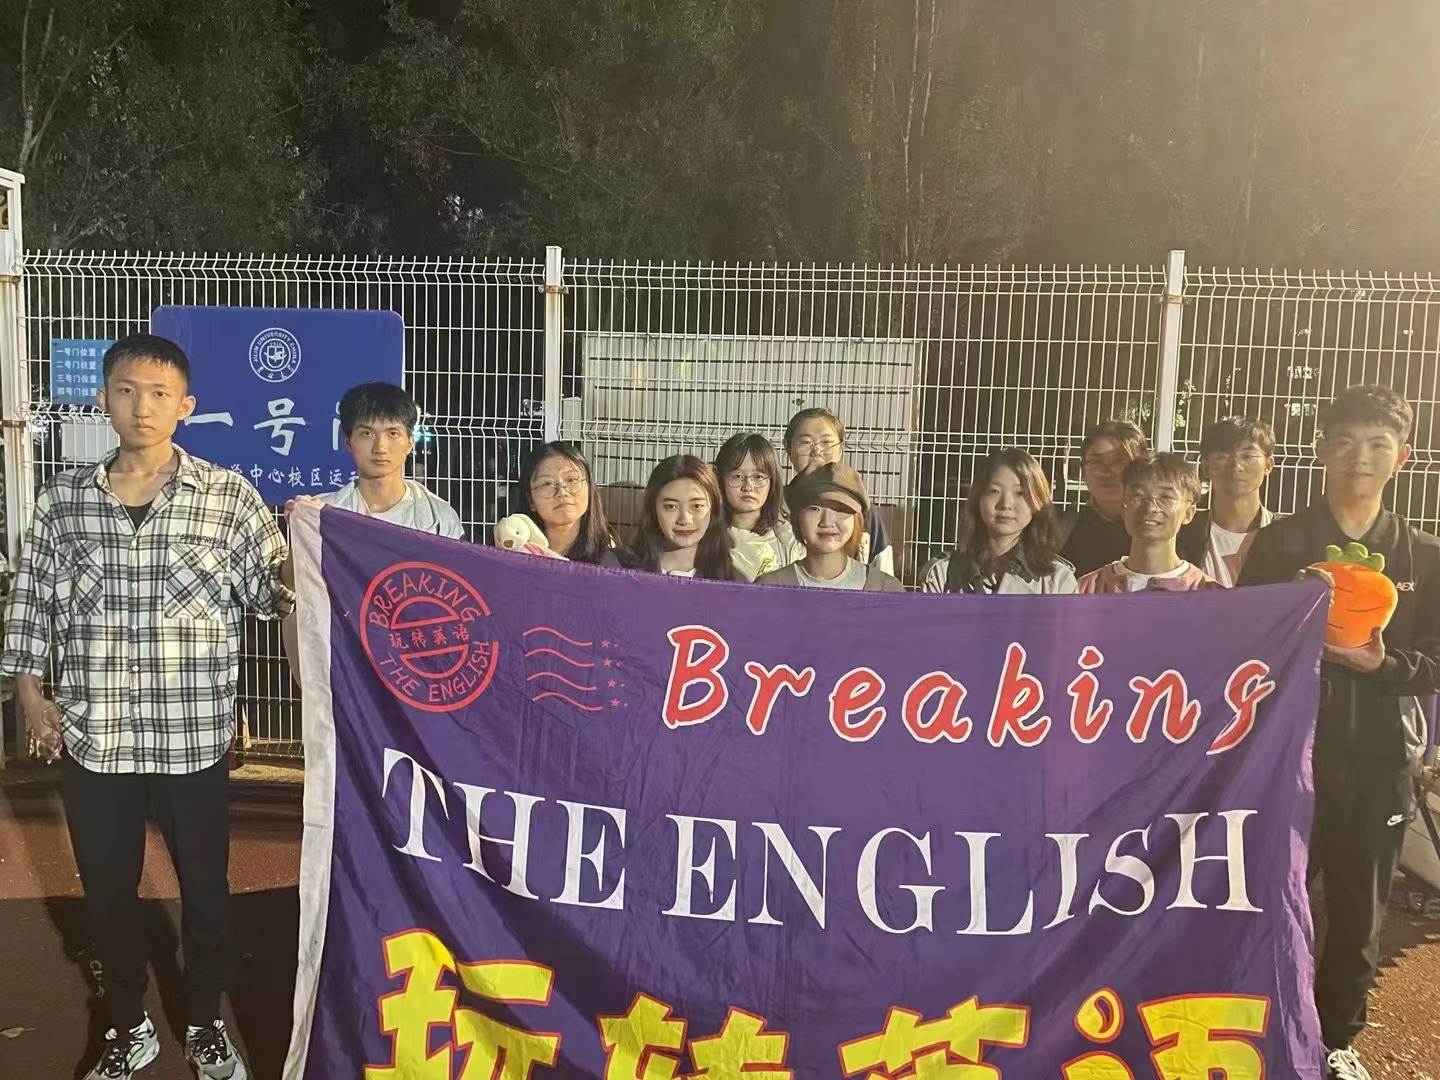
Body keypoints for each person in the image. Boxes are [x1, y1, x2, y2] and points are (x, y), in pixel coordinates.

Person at [0, 334, 293, 1080]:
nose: (142, 406)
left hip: (192, 735)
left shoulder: (228, 498)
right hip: (96, 734)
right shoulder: (65, 501)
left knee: (207, 894)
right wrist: (29, 691)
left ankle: (204, 1021)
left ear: (185, 406)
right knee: (107, 895)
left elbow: (273, 593)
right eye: (127, 390)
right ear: (103, 399)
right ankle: (129, 1024)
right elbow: (32, 600)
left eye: (160, 394)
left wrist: (314, 547)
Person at [1239, 386, 1440, 1080]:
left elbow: (1435, 662)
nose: (1361, 458)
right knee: (1270, 896)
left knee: (1358, 912)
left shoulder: (1425, 556)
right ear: (1323, 450)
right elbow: (1246, 643)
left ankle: (1334, 1040)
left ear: (1403, 457)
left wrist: (1385, 666)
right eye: (1347, 442)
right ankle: (1254, 1026)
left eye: (1379, 445)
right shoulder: (1282, 543)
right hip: (1287, 758)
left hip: (1380, 760)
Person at [312, 381, 464, 537]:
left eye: (393, 434)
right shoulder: (321, 515)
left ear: (410, 443)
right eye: (367, 434)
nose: (380, 447)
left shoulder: (439, 518)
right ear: (348, 442)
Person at [923, 449, 1078, 594]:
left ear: (1038, 501)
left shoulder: (1057, 580)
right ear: (978, 498)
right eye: (994, 491)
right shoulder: (942, 574)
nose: (1006, 504)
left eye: (1020, 493)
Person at [1077, 451, 1219, 593]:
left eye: (1165, 497)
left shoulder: (1209, 593)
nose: (1150, 508)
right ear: (1123, 507)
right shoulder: (1086, 589)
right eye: (1138, 496)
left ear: (1188, 513)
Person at [757, 463, 903, 592]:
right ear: (796, 517)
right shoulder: (769, 589)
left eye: (840, 509)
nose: (827, 522)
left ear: (857, 519)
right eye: (815, 508)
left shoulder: (885, 590)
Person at [783, 408, 895, 574]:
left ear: (841, 449)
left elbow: (882, 571)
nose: (817, 451)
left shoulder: (863, 510)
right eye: (805, 443)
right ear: (789, 451)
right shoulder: (777, 505)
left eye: (826, 442)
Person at [1177, 416, 1278, 586]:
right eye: (1222, 457)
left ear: (1268, 465)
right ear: (1206, 468)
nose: (1236, 466)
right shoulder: (1182, 534)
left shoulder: (1289, 536)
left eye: (1248, 456)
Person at [511, 441, 625, 566]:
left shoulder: (609, 565)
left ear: (589, 488)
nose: (562, 492)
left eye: (571, 480)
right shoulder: (514, 556)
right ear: (530, 500)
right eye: (547, 483)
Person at [1060, 419, 1149, 576]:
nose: (1107, 471)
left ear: (1142, 468)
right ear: (1082, 471)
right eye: (1096, 461)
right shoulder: (1061, 532)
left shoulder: (1164, 531)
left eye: (1120, 461)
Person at [632, 455, 741, 580]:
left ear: (713, 510)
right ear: (653, 510)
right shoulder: (623, 571)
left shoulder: (732, 581)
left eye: (696, 506)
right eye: (671, 507)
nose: (684, 520)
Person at [714, 431, 793, 581]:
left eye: (758, 477)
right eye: (737, 476)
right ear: (720, 481)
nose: (748, 487)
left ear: (772, 482)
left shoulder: (788, 538)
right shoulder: (706, 539)